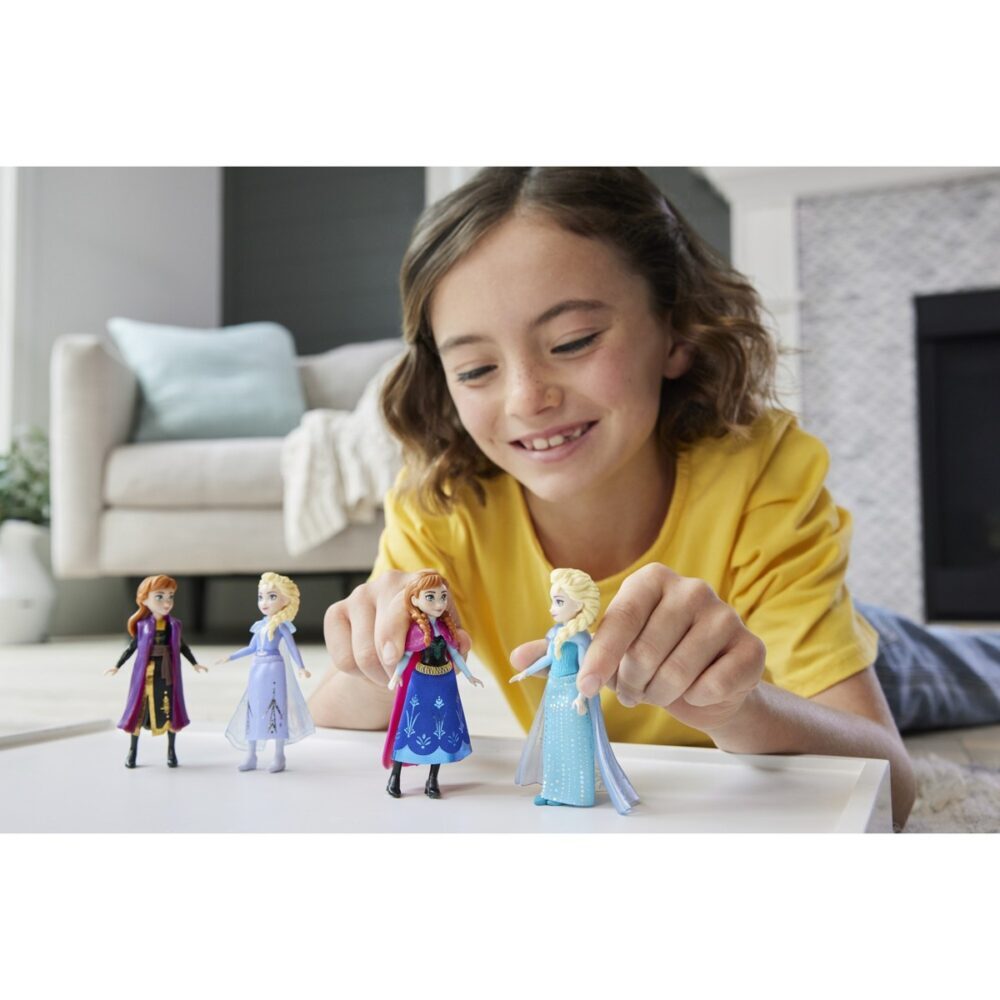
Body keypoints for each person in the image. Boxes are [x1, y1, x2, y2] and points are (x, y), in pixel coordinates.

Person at [310, 167, 1000, 832]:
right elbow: (331, 720)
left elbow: (892, 787)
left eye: (573, 341)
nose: (526, 399)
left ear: (675, 330)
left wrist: (739, 705)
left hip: (803, 662)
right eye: (476, 369)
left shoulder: (761, 473)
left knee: (973, 666)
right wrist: (374, 658)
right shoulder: (442, 498)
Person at [511, 568, 639, 814]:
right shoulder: (555, 633)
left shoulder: (580, 638)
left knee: (574, 745)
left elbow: (586, 669)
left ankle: (577, 794)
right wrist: (525, 672)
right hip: (553, 690)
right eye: (553, 601)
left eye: (559, 602)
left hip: (571, 694)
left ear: (578, 605)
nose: (552, 608)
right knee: (554, 743)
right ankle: (551, 791)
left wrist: (582, 696)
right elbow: (548, 659)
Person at [383, 570, 485, 798]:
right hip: (420, 682)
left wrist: (469, 675)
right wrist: (395, 676)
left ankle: (432, 780)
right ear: (415, 599)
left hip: (444, 681)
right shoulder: (416, 630)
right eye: (431, 597)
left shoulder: (445, 628)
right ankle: (395, 777)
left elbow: (455, 654)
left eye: (443, 596)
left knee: (441, 729)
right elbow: (407, 656)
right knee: (410, 728)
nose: (439, 603)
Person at [106, 574, 208, 768]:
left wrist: (194, 663)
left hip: (167, 674)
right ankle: (132, 751)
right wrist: (117, 665)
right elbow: (132, 648)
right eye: (160, 597)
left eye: (170, 596)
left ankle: (171, 751)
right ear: (144, 600)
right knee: (138, 712)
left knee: (170, 711)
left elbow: (182, 646)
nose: (167, 602)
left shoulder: (174, 625)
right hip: (146, 676)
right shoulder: (142, 626)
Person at [219, 572, 314, 773]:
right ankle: (251, 754)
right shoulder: (260, 626)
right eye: (261, 597)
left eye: (272, 597)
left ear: (285, 601)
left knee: (275, 708)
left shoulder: (281, 627)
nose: (264, 602)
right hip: (257, 668)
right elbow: (251, 648)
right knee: (253, 707)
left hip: (274, 668)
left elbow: (292, 648)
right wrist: (231, 656)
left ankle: (279, 755)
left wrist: (301, 667)